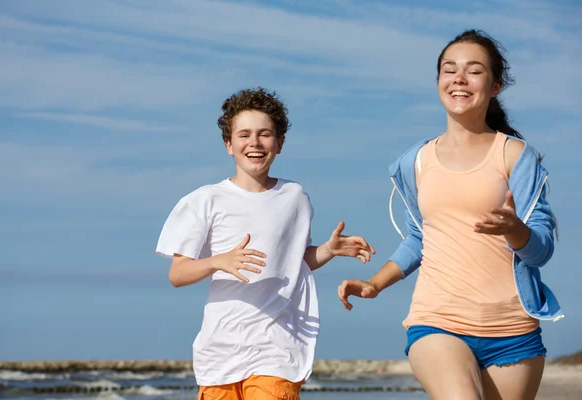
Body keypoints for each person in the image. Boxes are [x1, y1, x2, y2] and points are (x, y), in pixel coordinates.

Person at [338, 30, 563, 400]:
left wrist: (515, 230)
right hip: (437, 320)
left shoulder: (515, 156)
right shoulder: (417, 161)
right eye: (449, 69)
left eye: (473, 71)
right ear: (439, 81)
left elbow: (541, 251)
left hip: (513, 331)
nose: (459, 78)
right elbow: (420, 237)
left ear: (494, 86)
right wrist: (375, 284)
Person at [156, 87, 375, 400]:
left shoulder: (294, 197)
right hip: (220, 351)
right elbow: (178, 274)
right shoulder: (205, 200)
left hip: (277, 347)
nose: (254, 143)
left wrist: (328, 250)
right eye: (244, 135)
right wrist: (219, 260)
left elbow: (294, 260)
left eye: (265, 134)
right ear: (229, 145)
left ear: (280, 143)